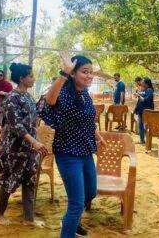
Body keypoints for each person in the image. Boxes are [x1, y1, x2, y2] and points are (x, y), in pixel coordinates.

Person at [42, 54, 105, 238]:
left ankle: (72, 222)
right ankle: (69, 227)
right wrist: (64, 73)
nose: (89, 76)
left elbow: (86, 120)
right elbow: (49, 101)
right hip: (68, 153)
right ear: (73, 73)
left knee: (91, 192)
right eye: (85, 72)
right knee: (76, 202)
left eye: (91, 72)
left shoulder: (85, 94)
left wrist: (97, 135)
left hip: (85, 151)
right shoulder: (62, 92)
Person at [0, 63, 48, 227]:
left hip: (29, 147)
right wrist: (34, 141)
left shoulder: (27, 96)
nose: (33, 79)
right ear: (22, 78)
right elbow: (16, 125)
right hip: (14, 147)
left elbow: (36, 113)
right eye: (31, 76)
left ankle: (29, 218)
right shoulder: (12, 98)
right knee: (10, 179)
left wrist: (45, 98)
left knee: (29, 179)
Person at [134, 77, 154, 145]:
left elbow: (145, 100)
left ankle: (146, 140)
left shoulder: (149, 90)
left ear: (146, 83)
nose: (141, 83)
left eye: (143, 82)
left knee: (145, 125)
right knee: (140, 125)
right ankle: (142, 140)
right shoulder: (144, 89)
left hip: (146, 111)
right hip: (141, 110)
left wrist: (139, 96)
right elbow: (140, 97)